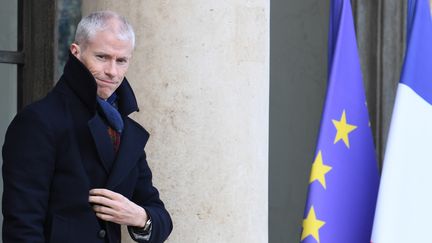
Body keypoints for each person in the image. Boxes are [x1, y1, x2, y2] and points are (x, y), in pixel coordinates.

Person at [2, 11, 172, 243]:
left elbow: (160, 215)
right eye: (102, 57)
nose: (112, 71)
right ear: (76, 52)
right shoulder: (38, 121)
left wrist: (140, 216)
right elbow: (22, 226)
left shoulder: (126, 129)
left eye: (121, 60)